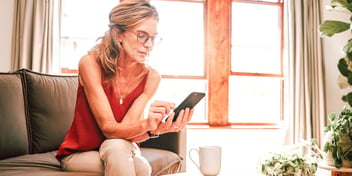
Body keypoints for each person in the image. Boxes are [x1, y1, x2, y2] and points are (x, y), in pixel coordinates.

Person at [56, 0, 194, 175]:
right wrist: (146, 123)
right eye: (141, 35)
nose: (149, 45)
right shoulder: (90, 63)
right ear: (118, 34)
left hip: (120, 148)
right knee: (140, 166)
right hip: (80, 155)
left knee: (119, 148)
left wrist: (157, 128)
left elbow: (126, 134)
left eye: (153, 38)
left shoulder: (151, 77)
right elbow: (109, 129)